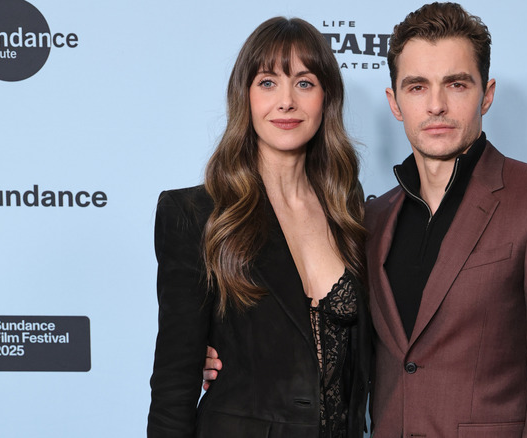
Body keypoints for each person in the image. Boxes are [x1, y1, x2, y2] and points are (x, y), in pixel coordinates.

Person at [205, 3, 527, 437]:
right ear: (394, 102)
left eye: (457, 84)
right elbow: (329, 333)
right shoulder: (370, 219)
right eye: (416, 87)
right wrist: (230, 358)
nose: (436, 106)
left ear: (487, 93)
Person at [147, 16, 371, 438]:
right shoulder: (195, 213)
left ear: (326, 98)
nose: (286, 102)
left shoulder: (349, 209)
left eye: (304, 83)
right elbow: (173, 388)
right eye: (268, 82)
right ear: (245, 96)